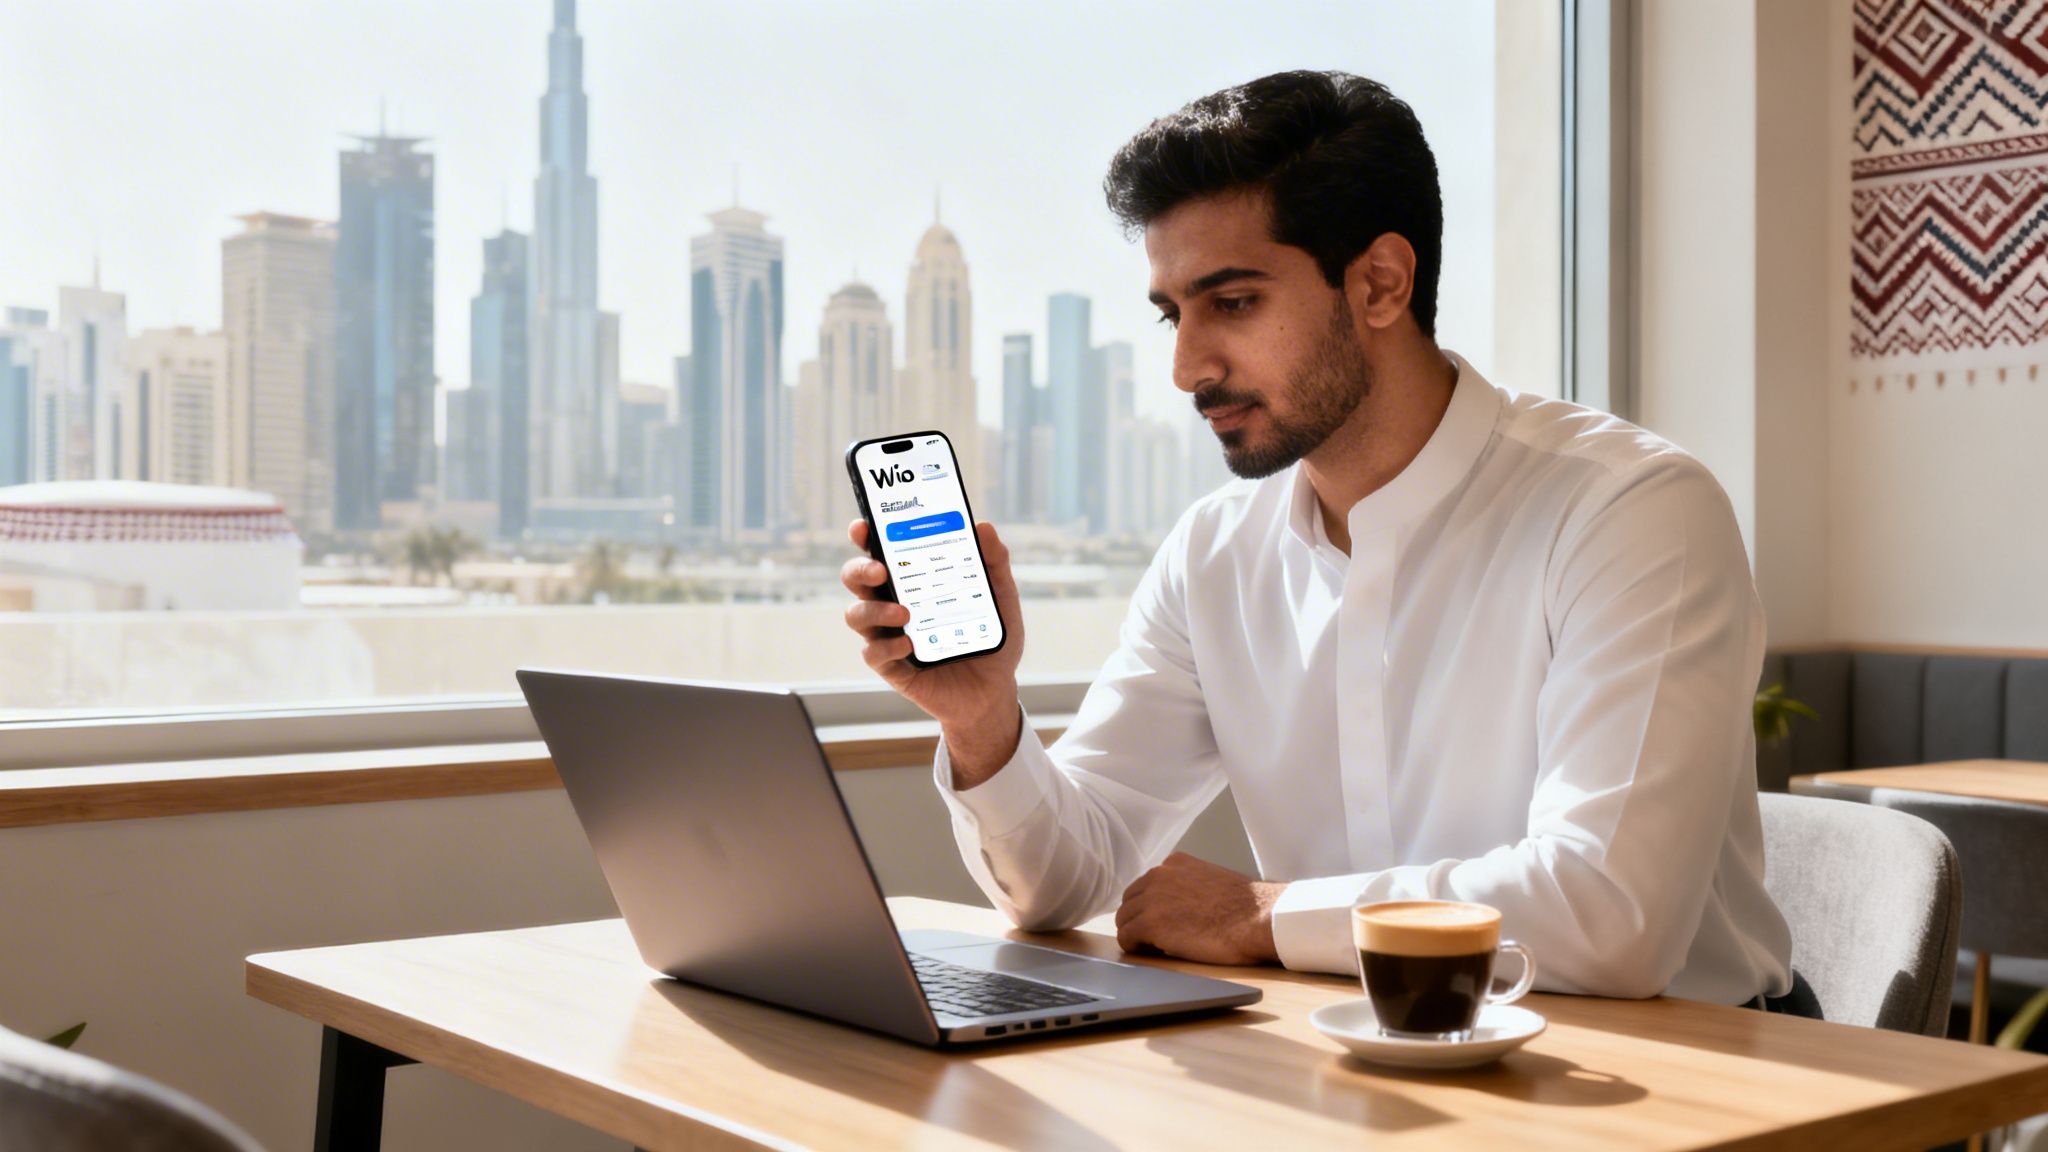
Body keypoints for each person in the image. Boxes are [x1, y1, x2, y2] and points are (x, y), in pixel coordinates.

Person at [840, 70, 1793, 1004]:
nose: (1186, 367)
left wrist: (1264, 915)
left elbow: (1611, 915)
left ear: (1380, 283)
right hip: (1354, 1059)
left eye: (1233, 303)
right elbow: (1063, 882)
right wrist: (982, 719)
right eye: (1173, 315)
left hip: (1692, 1072)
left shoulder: (1632, 510)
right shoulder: (1214, 556)